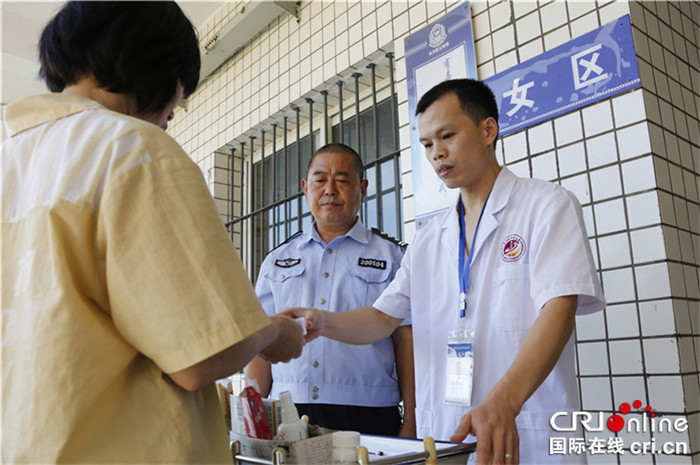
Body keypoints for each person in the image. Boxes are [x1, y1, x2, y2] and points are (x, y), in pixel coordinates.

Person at [2, 2, 304, 463]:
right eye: (180, 93)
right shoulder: (133, 149)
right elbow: (201, 353)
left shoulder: (11, 159)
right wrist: (273, 331)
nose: (172, 115)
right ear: (159, 64)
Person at [286, 79, 606, 464]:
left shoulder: (546, 206)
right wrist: (321, 321)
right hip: (445, 436)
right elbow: (380, 318)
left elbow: (559, 308)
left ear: (488, 129)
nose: (437, 153)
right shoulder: (428, 239)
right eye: (426, 145)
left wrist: (504, 402)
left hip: (524, 432)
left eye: (447, 136)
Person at [245, 143, 416, 437]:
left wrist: (412, 419)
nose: (330, 190)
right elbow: (260, 342)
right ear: (305, 187)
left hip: (369, 414)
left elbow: (406, 339)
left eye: (342, 179)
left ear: (362, 188)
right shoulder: (276, 260)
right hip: (289, 411)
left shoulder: (394, 257)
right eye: (320, 179)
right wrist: (252, 417)